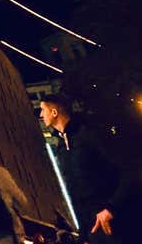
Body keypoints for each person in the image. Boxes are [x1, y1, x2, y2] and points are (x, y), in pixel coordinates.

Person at [40, 93, 138, 244]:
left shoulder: (90, 135)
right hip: (93, 230)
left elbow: (129, 172)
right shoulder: (61, 148)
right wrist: (84, 235)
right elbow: (75, 193)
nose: (41, 115)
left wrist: (111, 208)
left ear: (54, 112)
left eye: (43, 110)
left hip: (118, 224)